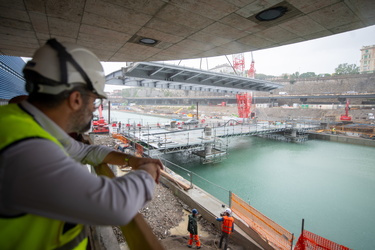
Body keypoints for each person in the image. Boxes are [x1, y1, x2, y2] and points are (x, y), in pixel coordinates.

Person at [0, 38, 163, 250]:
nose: (94, 109)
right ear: (76, 99)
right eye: (94, 101)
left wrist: (133, 160)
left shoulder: (24, 126)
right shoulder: (24, 148)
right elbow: (117, 206)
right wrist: (148, 170)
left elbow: (86, 150)